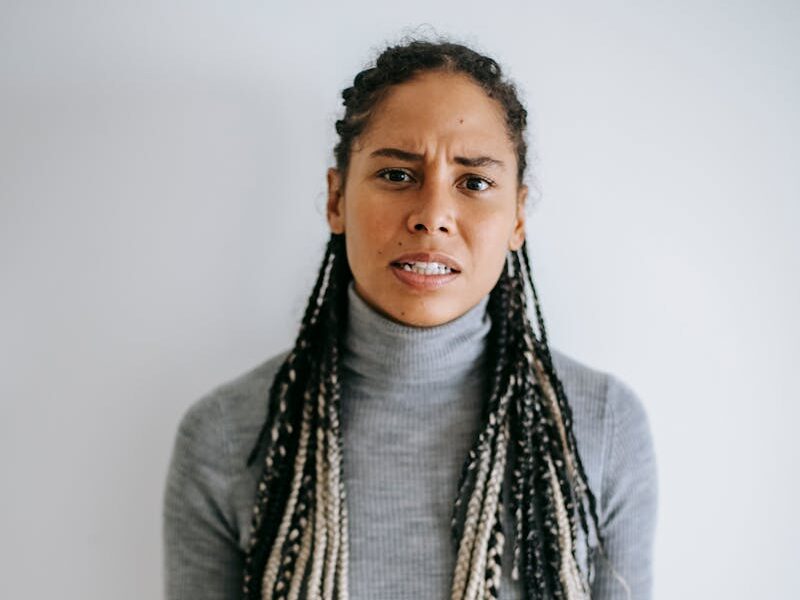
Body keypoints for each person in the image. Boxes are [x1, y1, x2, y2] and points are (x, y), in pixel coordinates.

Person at [162, 38, 658, 600]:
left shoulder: (604, 428)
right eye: (398, 175)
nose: (433, 216)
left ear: (518, 217)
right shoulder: (226, 436)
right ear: (336, 199)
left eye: (474, 183)